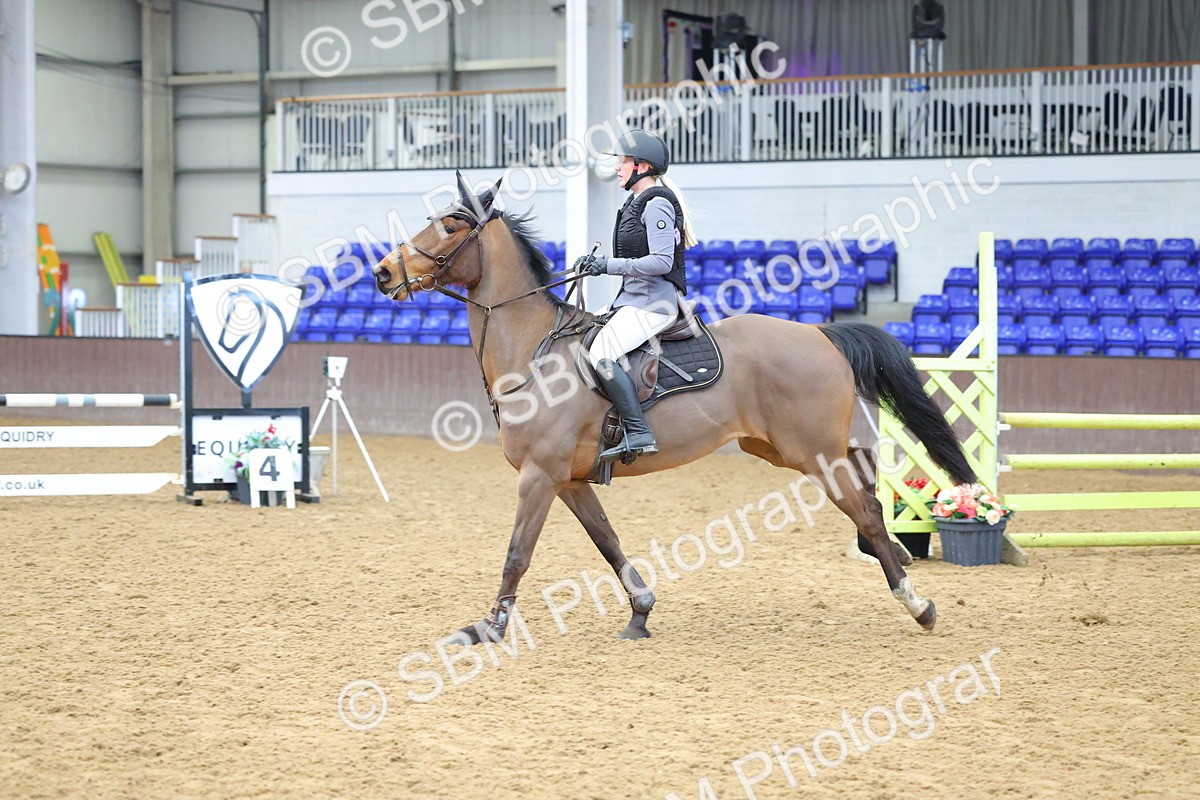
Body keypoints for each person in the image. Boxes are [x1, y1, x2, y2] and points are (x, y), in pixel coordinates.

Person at [573, 129, 698, 462]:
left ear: (641, 166)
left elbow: (661, 262)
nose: (616, 167)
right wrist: (595, 265)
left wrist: (607, 265)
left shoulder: (656, 204)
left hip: (654, 304)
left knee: (602, 353)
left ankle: (639, 431)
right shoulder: (636, 201)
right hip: (632, 299)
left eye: (622, 161)